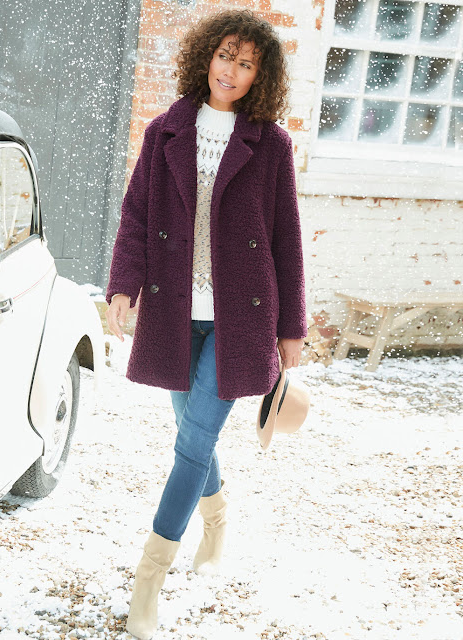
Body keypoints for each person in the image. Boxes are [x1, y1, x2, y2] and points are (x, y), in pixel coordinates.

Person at [105, 8, 307, 639]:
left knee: (192, 445)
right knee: (191, 435)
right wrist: (121, 286)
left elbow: (286, 240)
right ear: (206, 57)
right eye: (226, 56)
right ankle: (217, 519)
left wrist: (292, 325)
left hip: (240, 320)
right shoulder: (167, 129)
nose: (232, 70)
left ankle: (148, 582)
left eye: (247, 64)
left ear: (259, 76)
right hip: (171, 310)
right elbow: (138, 212)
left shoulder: (270, 144)